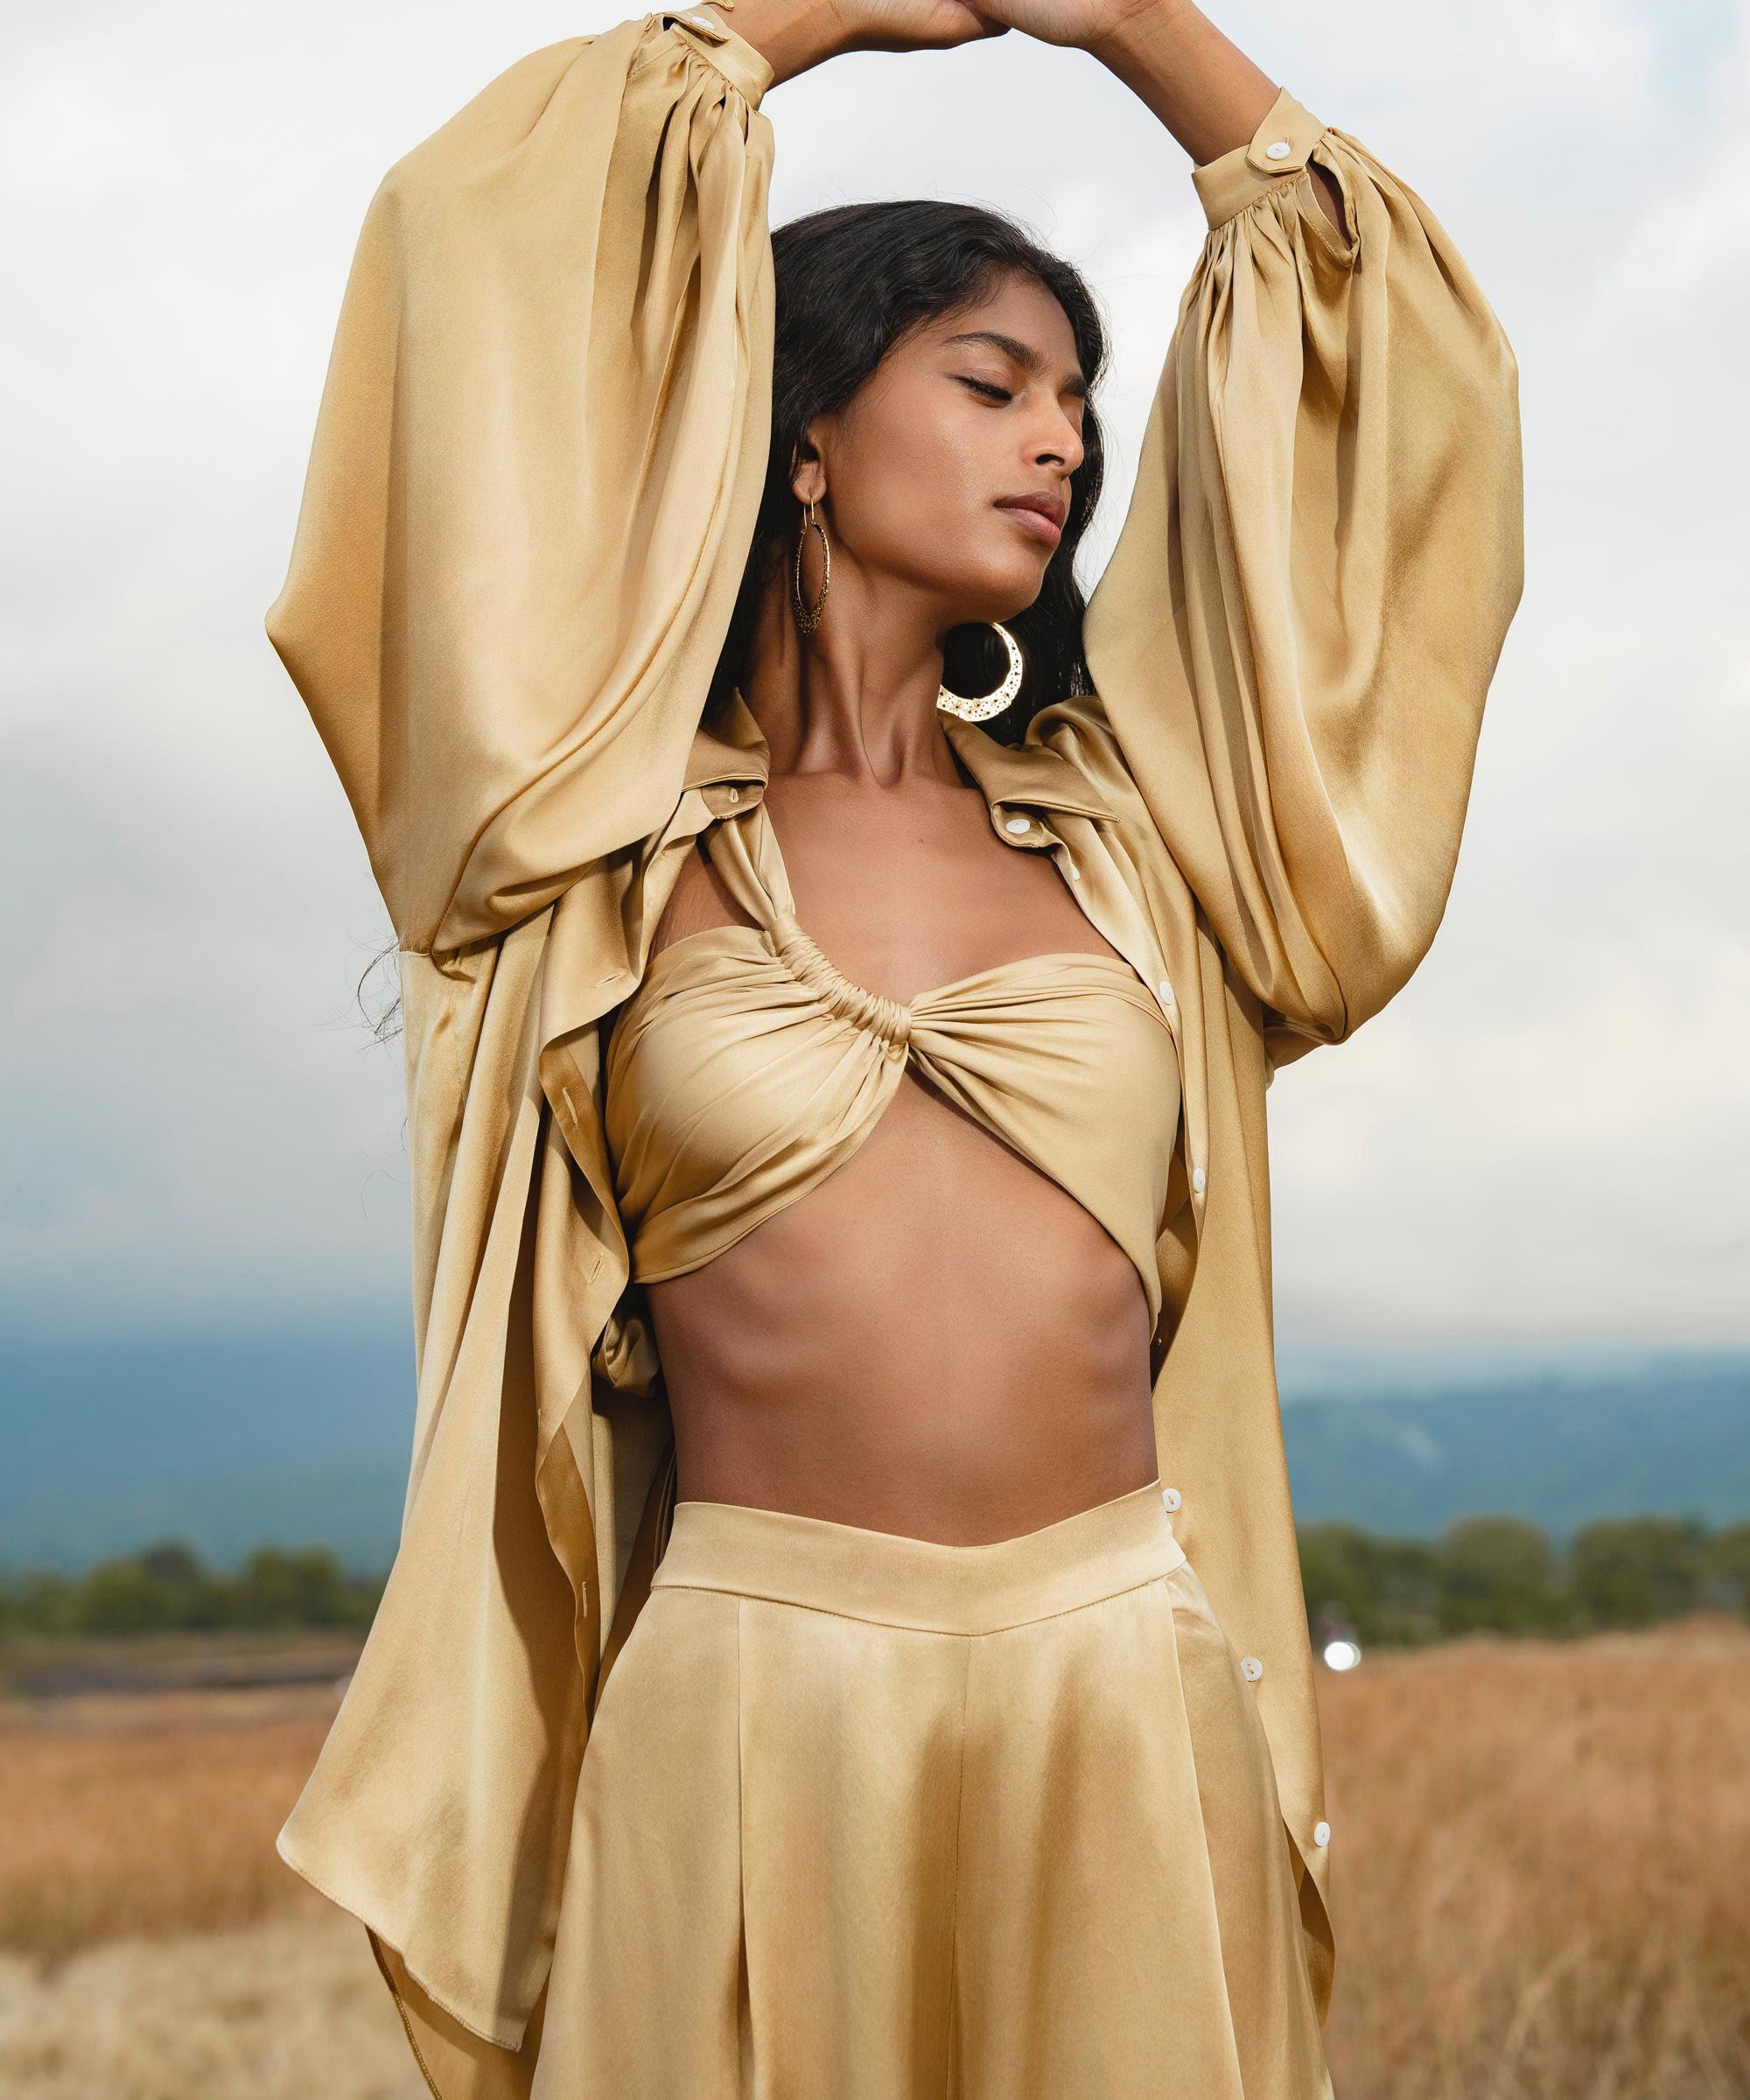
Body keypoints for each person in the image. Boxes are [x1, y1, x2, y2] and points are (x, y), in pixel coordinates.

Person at [265, 0, 1522, 2090]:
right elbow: (467, 283)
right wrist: (799, 23)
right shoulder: (579, 856)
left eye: (1080, 401)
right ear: (805, 433)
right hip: (747, 1704)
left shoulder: (1147, 846)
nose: (1064, 442)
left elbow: (1396, 403)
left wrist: (1136, 29)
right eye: (992, 381)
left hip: (1118, 1691)